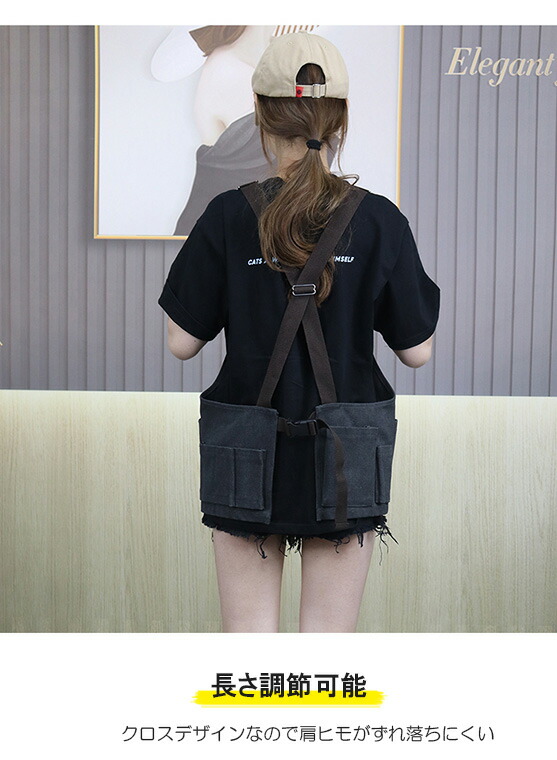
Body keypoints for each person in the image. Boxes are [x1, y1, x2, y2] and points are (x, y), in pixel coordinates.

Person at [158, 31, 440, 633]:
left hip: (246, 445)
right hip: (346, 448)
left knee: (249, 646)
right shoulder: (379, 220)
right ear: (340, 118)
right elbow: (417, 351)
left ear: (259, 114)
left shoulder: (228, 214)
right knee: (325, 649)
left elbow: (181, 343)